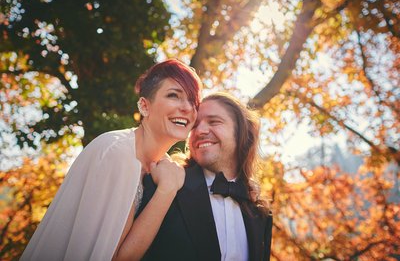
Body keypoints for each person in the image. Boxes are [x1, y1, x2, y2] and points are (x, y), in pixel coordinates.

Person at [20, 59, 202, 261]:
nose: (187, 108)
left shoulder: (162, 167)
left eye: (193, 101)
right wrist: (166, 190)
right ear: (144, 105)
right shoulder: (117, 151)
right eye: (173, 95)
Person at [138, 92, 273, 261]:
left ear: (241, 133)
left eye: (214, 122)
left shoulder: (261, 213)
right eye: (194, 125)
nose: (200, 131)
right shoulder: (163, 183)